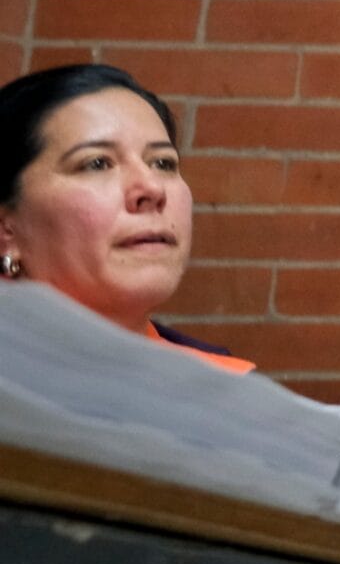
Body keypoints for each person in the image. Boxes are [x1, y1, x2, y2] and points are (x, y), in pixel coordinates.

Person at [0, 62, 252, 372]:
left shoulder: (223, 388)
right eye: (96, 163)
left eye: (163, 163)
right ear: (6, 230)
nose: (152, 188)